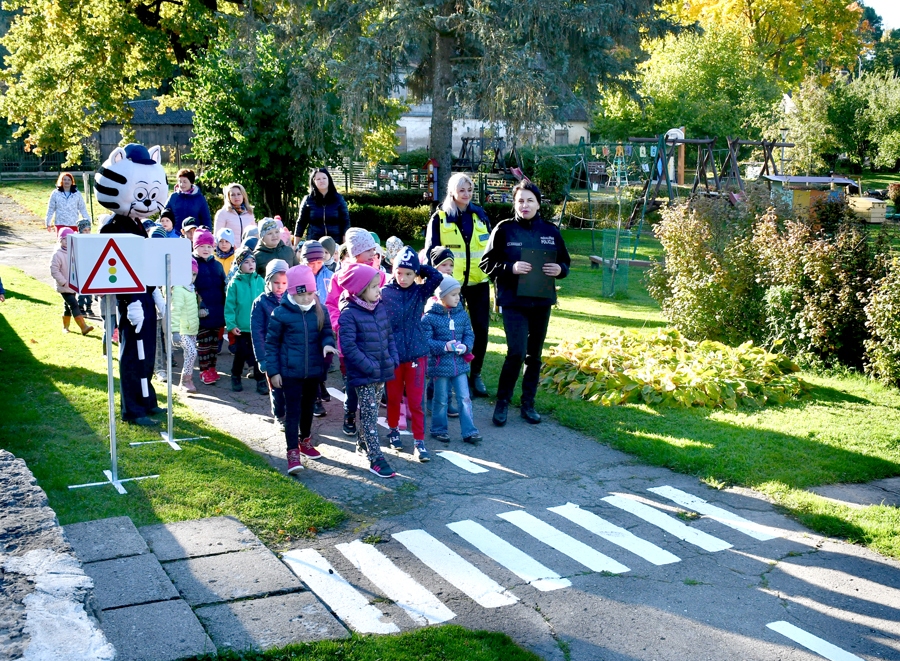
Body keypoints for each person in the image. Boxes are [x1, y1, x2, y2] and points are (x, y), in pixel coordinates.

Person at [480, 181, 570, 426]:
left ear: (538, 203)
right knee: (517, 352)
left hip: (541, 301)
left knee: (534, 355)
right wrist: (511, 267)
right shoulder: (504, 229)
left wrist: (559, 269)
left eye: (530, 200)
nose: (525, 205)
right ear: (515, 203)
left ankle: (528, 404)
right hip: (513, 301)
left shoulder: (551, 231)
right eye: (520, 200)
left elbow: (566, 264)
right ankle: (502, 402)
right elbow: (486, 264)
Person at [423, 172, 492, 398]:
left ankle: (476, 374)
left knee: (480, 330)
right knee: (448, 333)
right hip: (450, 286)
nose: (466, 194)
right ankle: (446, 379)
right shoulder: (439, 218)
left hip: (478, 282)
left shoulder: (480, 215)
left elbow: (490, 251)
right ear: (452, 191)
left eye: (470, 189)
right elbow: (431, 254)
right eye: (462, 190)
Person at [266, 265, 337, 474]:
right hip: (290, 372)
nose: (307, 298)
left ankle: (305, 440)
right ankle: (292, 452)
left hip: (313, 371)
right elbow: (271, 344)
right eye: (302, 294)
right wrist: (274, 372)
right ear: (291, 293)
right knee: (293, 412)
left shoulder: (320, 309)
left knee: (308, 409)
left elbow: (327, 332)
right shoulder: (280, 314)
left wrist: (326, 343)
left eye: (310, 293)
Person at [380, 246, 443, 462]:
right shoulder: (385, 292)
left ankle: (419, 441)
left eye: (409, 274)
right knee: (394, 398)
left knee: (416, 402)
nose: (404, 278)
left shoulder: (420, 292)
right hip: (393, 356)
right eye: (399, 272)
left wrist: (417, 266)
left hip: (417, 355)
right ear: (393, 271)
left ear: (415, 275)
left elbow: (436, 276)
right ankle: (393, 431)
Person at [337, 263, 398, 478]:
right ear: (360, 289)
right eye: (373, 287)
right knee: (370, 415)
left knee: (372, 411)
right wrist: (370, 366)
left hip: (381, 371)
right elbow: (349, 347)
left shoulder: (378, 307)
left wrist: (393, 357)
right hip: (364, 375)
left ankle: (362, 443)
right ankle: (375, 457)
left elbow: (388, 335)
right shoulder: (349, 314)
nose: (378, 291)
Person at [326, 228, 385, 436]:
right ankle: (349, 413)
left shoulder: (378, 273)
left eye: (373, 249)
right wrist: (338, 325)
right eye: (368, 249)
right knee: (352, 382)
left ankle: (368, 420)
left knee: (374, 382)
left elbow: (382, 298)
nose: (372, 253)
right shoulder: (341, 276)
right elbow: (331, 304)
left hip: (373, 340)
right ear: (356, 252)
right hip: (350, 342)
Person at [422, 275, 482, 444]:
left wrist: (466, 346)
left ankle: (469, 431)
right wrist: (445, 347)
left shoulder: (461, 314)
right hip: (440, 366)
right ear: (442, 296)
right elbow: (426, 342)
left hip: (460, 365)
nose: (458, 297)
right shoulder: (429, 317)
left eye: (458, 294)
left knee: (464, 398)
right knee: (440, 399)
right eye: (453, 294)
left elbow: (469, 334)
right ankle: (439, 429)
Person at [252, 259, 290, 429]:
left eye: (284, 283)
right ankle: (279, 415)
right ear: (268, 281)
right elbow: (257, 332)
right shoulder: (260, 302)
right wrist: (262, 359)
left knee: (291, 386)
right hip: (271, 353)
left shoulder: (292, 300)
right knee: (276, 386)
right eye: (276, 283)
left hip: (290, 352)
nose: (280, 287)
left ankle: (291, 413)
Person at [299, 240, 334, 417]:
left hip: (325, 323)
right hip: (305, 324)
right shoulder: (297, 275)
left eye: (318, 262)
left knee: (326, 359)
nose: (315, 266)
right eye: (311, 263)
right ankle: (314, 399)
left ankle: (320, 381)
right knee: (310, 360)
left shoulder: (330, 275)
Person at [225, 246, 266, 393]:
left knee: (258, 353)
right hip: (241, 327)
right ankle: (235, 375)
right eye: (246, 262)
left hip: (258, 326)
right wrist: (231, 325)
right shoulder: (234, 284)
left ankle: (260, 379)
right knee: (241, 353)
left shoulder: (260, 281)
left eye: (252, 261)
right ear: (240, 265)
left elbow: (265, 302)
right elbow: (230, 307)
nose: (251, 265)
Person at [193, 229, 227, 385]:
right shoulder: (192, 264)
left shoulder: (218, 265)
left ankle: (212, 368)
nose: (206, 249)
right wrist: (199, 305)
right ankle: (204, 370)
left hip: (218, 311)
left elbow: (223, 286)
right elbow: (190, 287)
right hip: (201, 312)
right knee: (204, 343)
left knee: (214, 344)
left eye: (209, 246)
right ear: (195, 247)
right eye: (202, 246)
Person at [49, 228, 94, 335]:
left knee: (67, 306)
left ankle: (65, 327)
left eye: (69, 239)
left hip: (73, 285)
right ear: (60, 240)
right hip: (64, 286)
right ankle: (83, 327)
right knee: (74, 304)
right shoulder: (57, 254)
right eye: (64, 239)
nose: (67, 242)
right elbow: (54, 270)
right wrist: (63, 282)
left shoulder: (74, 252)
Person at [293, 168, 350, 244]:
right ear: (314, 181)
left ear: (329, 179)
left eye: (324, 178)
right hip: (314, 243)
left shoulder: (338, 199)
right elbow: (301, 222)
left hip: (335, 243)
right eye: (318, 179)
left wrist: (345, 243)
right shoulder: (308, 200)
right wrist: (295, 245)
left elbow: (345, 222)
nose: (321, 181)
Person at [171, 258, 200, 394]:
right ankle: (185, 381)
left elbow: (190, 310)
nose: (192, 277)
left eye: (194, 274)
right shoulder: (178, 289)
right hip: (182, 330)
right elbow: (175, 311)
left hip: (191, 330)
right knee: (192, 352)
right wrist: (175, 331)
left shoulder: (191, 289)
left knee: (189, 354)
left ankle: (187, 381)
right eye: (189, 273)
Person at [165, 168, 212, 232]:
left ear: (191, 182)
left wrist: (207, 234)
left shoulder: (200, 198)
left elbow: (206, 219)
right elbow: (165, 214)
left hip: (194, 235)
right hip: (175, 235)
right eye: (180, 182)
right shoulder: (173, 197)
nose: (182, 184)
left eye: (185, 182)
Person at [75, 219, 95, 316]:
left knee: (89, 289)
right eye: (85, 230)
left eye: (88, 230)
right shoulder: (77, 240)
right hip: (81, 268)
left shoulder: (91, 241)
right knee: (82, 289)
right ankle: (81, 306)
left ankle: (89, 306)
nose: (87, 232)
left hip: (90, 268)